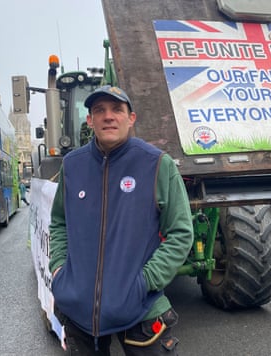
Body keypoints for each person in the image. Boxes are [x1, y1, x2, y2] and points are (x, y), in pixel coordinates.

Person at [49, 85, 194, 355]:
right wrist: (59, 268)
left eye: (117, 109)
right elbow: (59, 222)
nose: (108, 116)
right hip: (79, 310)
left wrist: (145, 281)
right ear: (90, 120)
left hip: (141, 308)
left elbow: (181, 233)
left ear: (131, 119)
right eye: (99, 111)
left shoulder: (158, 165)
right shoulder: (72, 166)